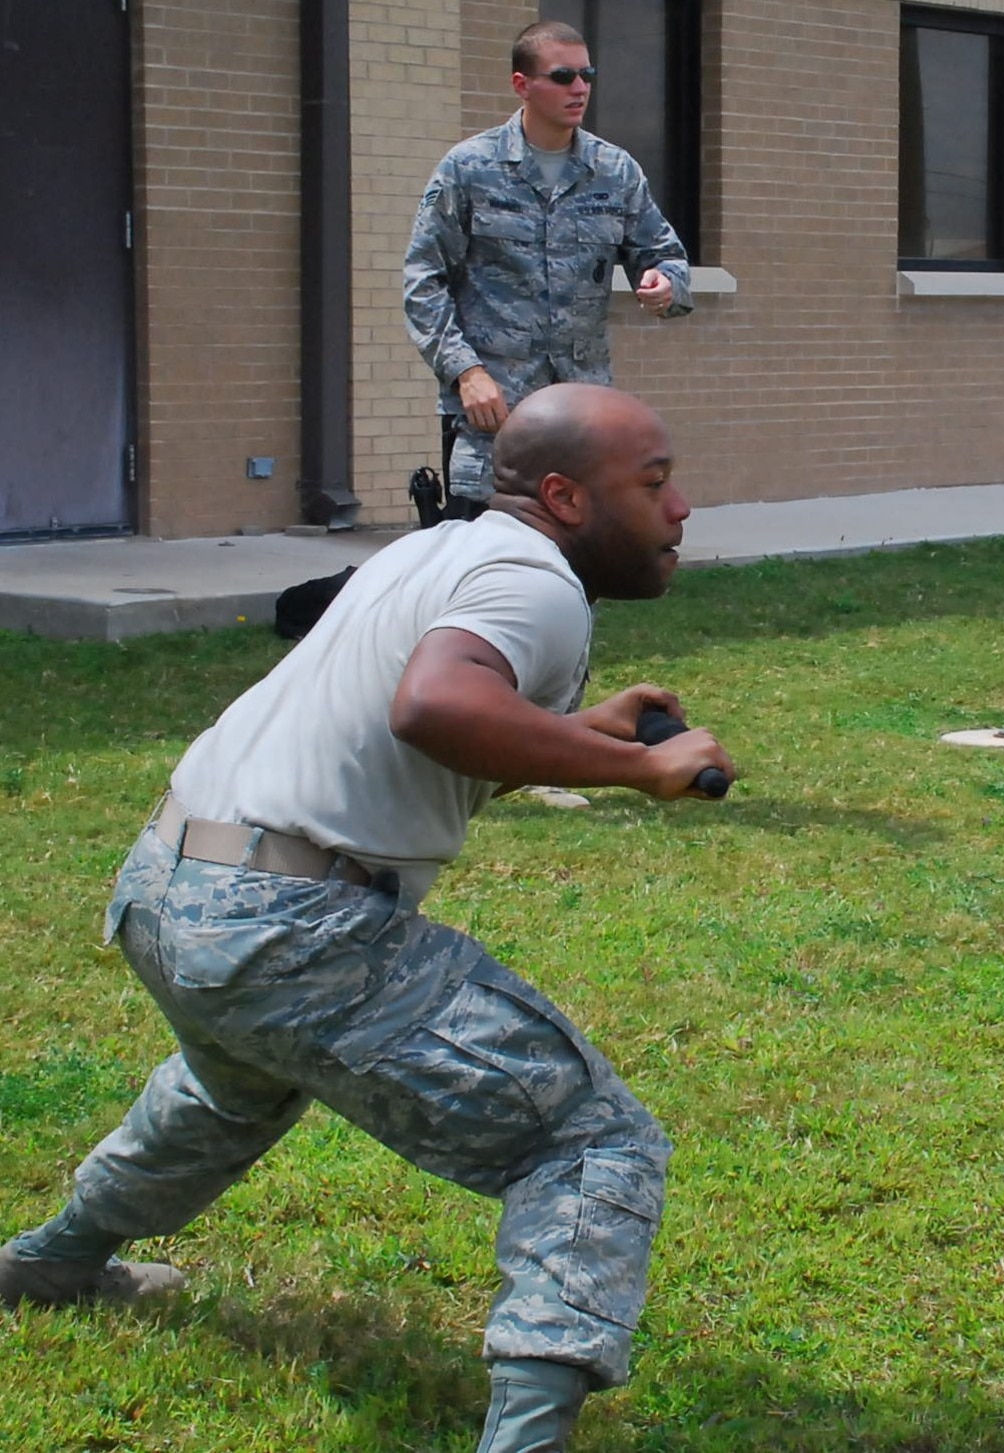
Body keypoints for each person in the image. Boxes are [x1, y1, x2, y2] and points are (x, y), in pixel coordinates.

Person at [0, 384, 734, 1453]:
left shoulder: (439, 550)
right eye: (656, 483)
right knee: (589, 1141)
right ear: (568, 497)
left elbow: (424, 727)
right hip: (286, 919)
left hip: (169, 885)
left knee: (227, 1090)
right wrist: (636, 764)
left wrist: (576, 729)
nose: (679, 510)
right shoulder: (538, 587)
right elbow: (435, 707)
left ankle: (52, 1261)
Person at [405, 19, 692, 520]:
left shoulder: (614, 171)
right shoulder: (470, 168)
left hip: (582, 416)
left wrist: (666, 283)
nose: (579, 88)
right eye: (563, 76)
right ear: (523, 84)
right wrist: (465, 372)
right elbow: (424, 282)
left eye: (586, 75)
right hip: (494, 418)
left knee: (579, 566)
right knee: (485, 566)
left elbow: (664, 254)